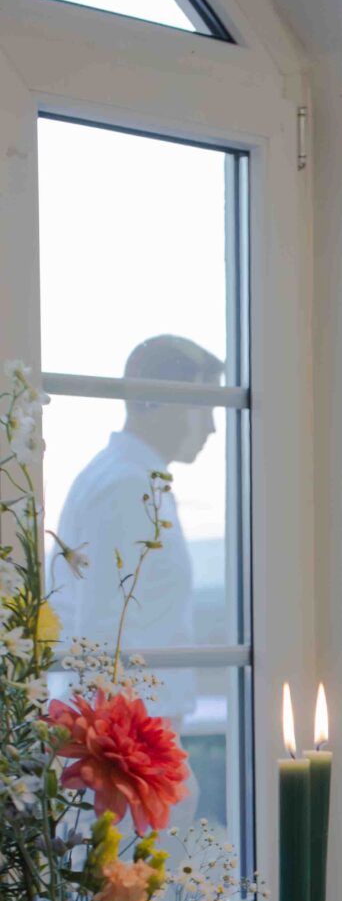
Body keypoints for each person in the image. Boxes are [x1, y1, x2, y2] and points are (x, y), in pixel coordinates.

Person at [55, 334, 223, 823]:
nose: (213, 426)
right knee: (134, 869)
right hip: (127, 752)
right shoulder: (126, 488)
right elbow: (103, 629)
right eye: (202, 406)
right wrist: (123, 761)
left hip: (137, 743)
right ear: (156, 401)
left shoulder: (129, 479)